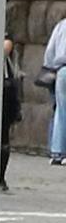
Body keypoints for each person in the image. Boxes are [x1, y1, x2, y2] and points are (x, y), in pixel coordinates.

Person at [43, 13, 66, 165]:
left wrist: (48, 68)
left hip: (61, 71)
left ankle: (57, 151)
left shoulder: (61, 25)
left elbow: (50, 51)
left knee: (60, 110)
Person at [1, 36, 22, 191]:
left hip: (5, 92)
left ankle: (0, 177)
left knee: (3, 138)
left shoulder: (5, 40)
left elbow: (6, 48)